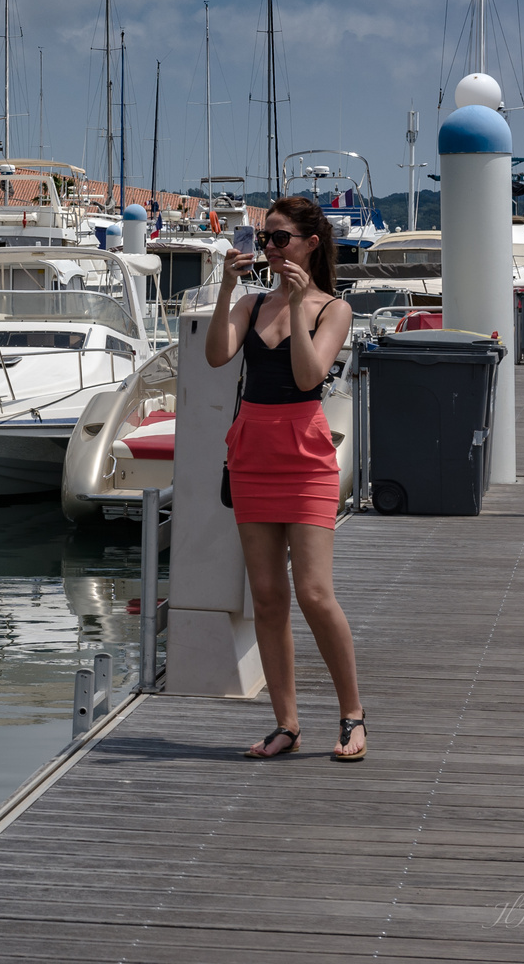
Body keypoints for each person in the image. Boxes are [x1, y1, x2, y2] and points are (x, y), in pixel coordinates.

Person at [205, 196, 366, 761]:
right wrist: (226, 289)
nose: (270, 249)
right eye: (264, 240)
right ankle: (287, 724)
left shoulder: (333, 310)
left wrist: (298, 305)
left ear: (310, 244)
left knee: (314, 592)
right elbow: (218, 356)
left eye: (280, 239)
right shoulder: (250, 302)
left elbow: (306, 376)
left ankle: (351, 714)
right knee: (268, 597)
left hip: (304, 454)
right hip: (252, 450)